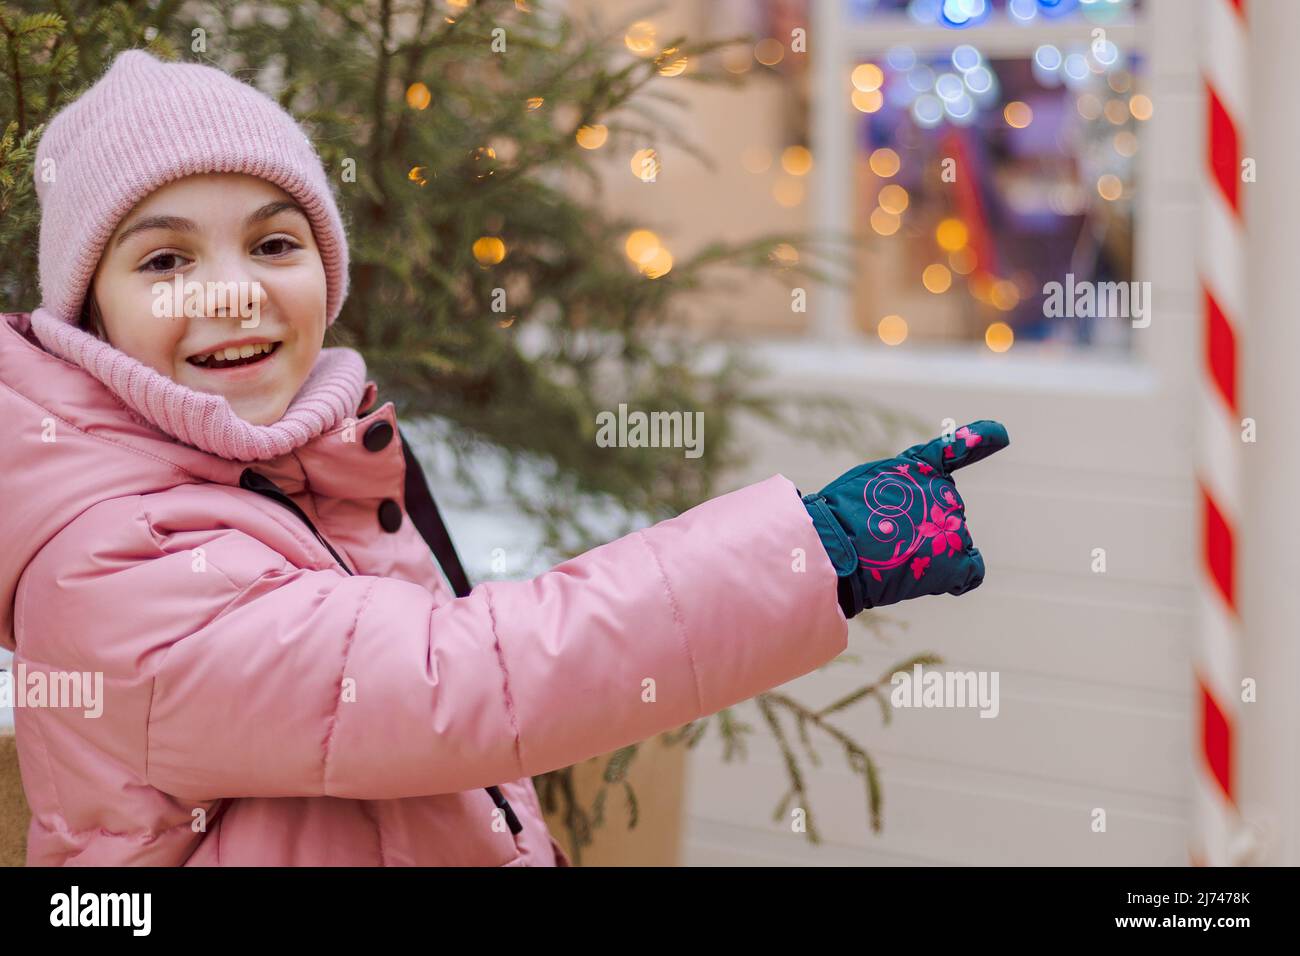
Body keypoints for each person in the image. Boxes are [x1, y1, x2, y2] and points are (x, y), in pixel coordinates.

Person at [0, 50, 1006, 866]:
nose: (233, 293)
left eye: (272, 243)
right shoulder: (116, 561)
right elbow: (456, 682)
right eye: (166, 259)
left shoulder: (284, 467)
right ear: (89, 313)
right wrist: (812, 549)